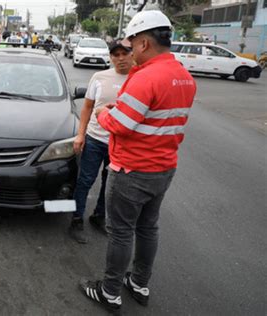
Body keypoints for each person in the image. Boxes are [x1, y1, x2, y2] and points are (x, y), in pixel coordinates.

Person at [79, 11, 197, 314]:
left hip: (132, 170)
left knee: (121, 232)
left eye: (131, 44)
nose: (129, 51)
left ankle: (110, 292)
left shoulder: (145, 77)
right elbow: (154, 115)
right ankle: (140, 283)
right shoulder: (183, 75)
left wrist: (105, 112)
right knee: (148, 228)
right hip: (164, 167)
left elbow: (118, 124)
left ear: (144, 43)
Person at [69, 39, 133, 244]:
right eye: (116, 55)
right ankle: (76, 219)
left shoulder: (139, 78)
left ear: (132, 54)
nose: (120, 58)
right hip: (96, 139)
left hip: (122, 143)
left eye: (125, 54)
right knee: (85, 181)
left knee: (110, 184)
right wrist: (81, 135)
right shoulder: (99, 77)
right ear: (111, 57)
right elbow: (87, 107)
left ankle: (99, 216)